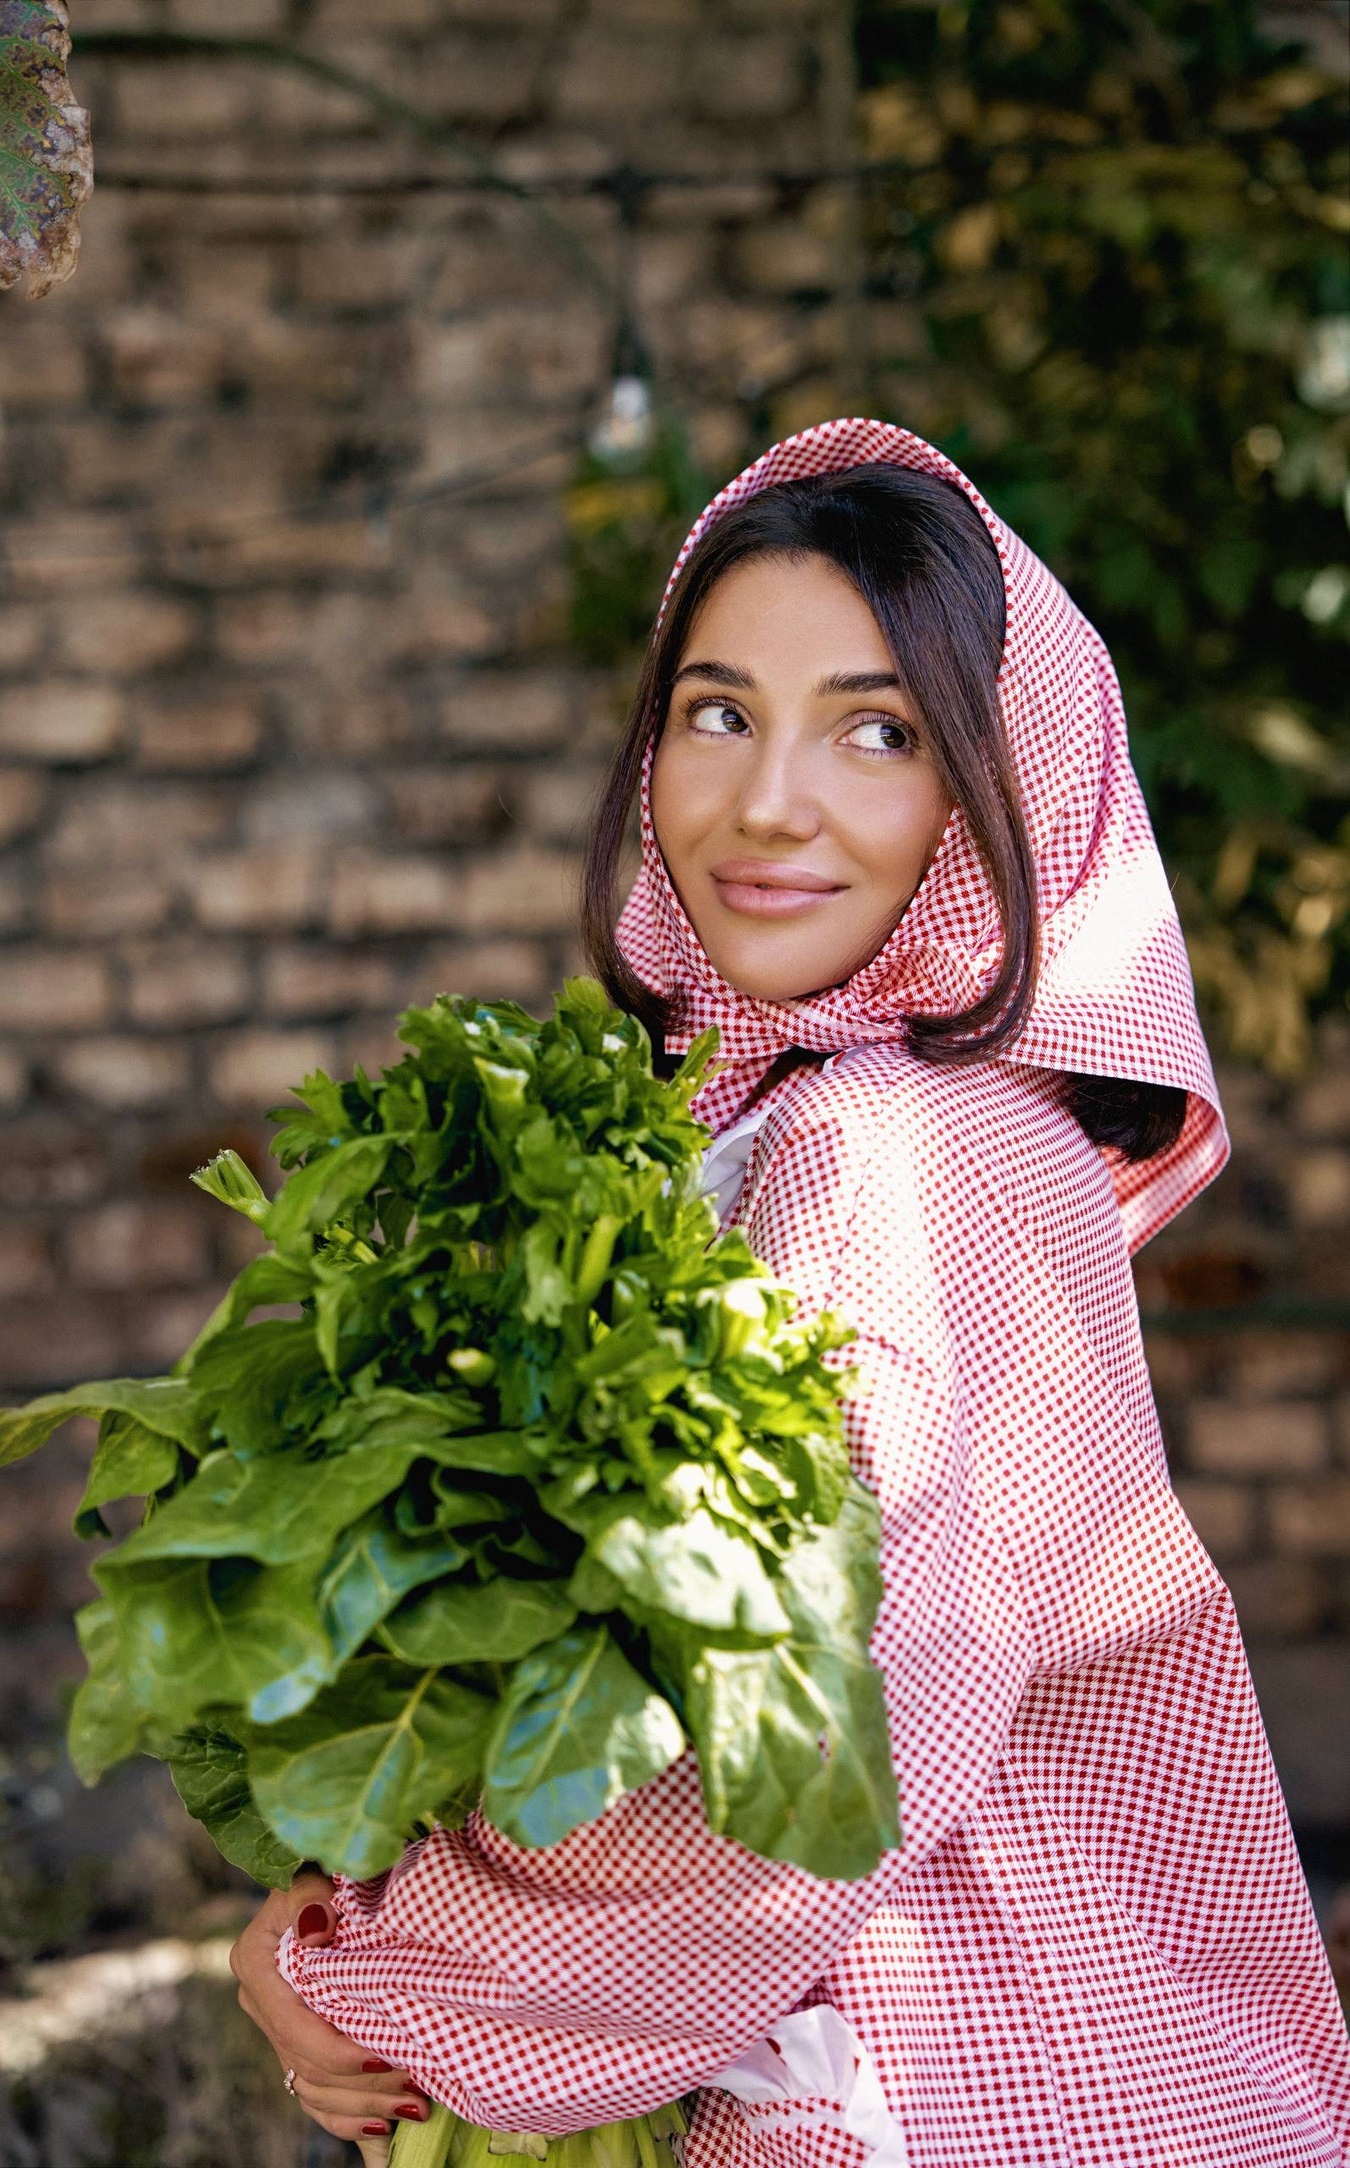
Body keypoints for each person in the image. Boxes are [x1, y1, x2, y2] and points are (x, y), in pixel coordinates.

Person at [230, 420, 1350, 2165]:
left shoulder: (883, 1146)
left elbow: (807, 1753)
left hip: (947, 2080)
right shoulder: (925, 1126)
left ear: (1005, 790)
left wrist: (380, 1968)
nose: (766, 801)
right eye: (718, 710)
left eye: (878, 732)